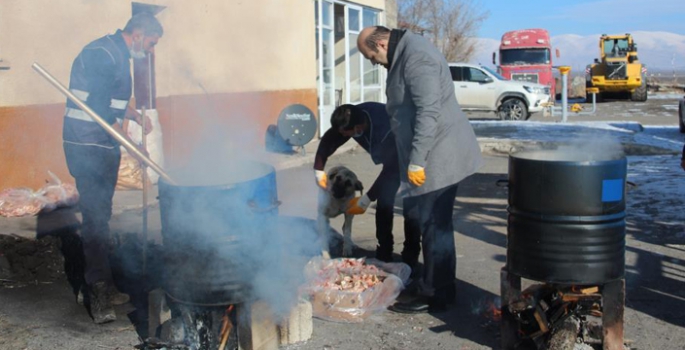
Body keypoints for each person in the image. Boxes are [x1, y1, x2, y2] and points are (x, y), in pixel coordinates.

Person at [357, 26, 482, 313]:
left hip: (438, 155)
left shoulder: (416, 57)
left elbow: (429, 111)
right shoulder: (404, 52)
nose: (373, 62)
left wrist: (417, 160)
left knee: (435, 225)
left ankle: (437, 294)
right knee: (428, 221)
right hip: (427, 153)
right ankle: (433, 283)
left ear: (382, 43)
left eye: (371, 56)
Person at [62, 12, 163, 324]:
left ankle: (96, 280)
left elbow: (111, 102)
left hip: (102, 145)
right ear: (137, 34)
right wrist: (136, 148)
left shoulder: (116, 53)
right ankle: (98, 293)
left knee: (101, 217)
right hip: (87, 146)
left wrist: (132, 115)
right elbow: (101, 109)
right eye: (150, 44)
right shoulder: (103, 54)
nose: (149, 51)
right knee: (94, 220)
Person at [314, 103, 421, 265]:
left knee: (412, 207)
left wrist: (366, 199)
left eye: (346, 133)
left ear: (358, 128)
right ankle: (384, 252)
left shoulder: (387, 126)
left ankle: (410, 258)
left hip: (414, 158)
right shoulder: (352, 118)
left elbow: (392, 169)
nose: (343, 136)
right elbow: (330, 140)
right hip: (392, 160)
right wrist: (319, 169)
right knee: (384, 204)